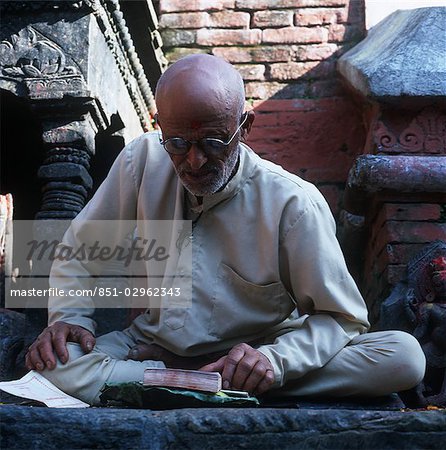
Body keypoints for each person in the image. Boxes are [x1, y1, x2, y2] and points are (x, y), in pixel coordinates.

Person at [25, 54, 425, 405]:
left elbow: (342, 318)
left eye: (214, 142)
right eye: (178, 142)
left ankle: (191, 380)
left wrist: (274, 361)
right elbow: (82, 249)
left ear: (245, 126)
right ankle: (213, 385)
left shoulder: (292, 203)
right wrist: (70, 317)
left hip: (257, 353)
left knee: (404, 357)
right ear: (158, 125)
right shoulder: (142, 160)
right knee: (57, 365)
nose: (195, 161)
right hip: (149, 347)